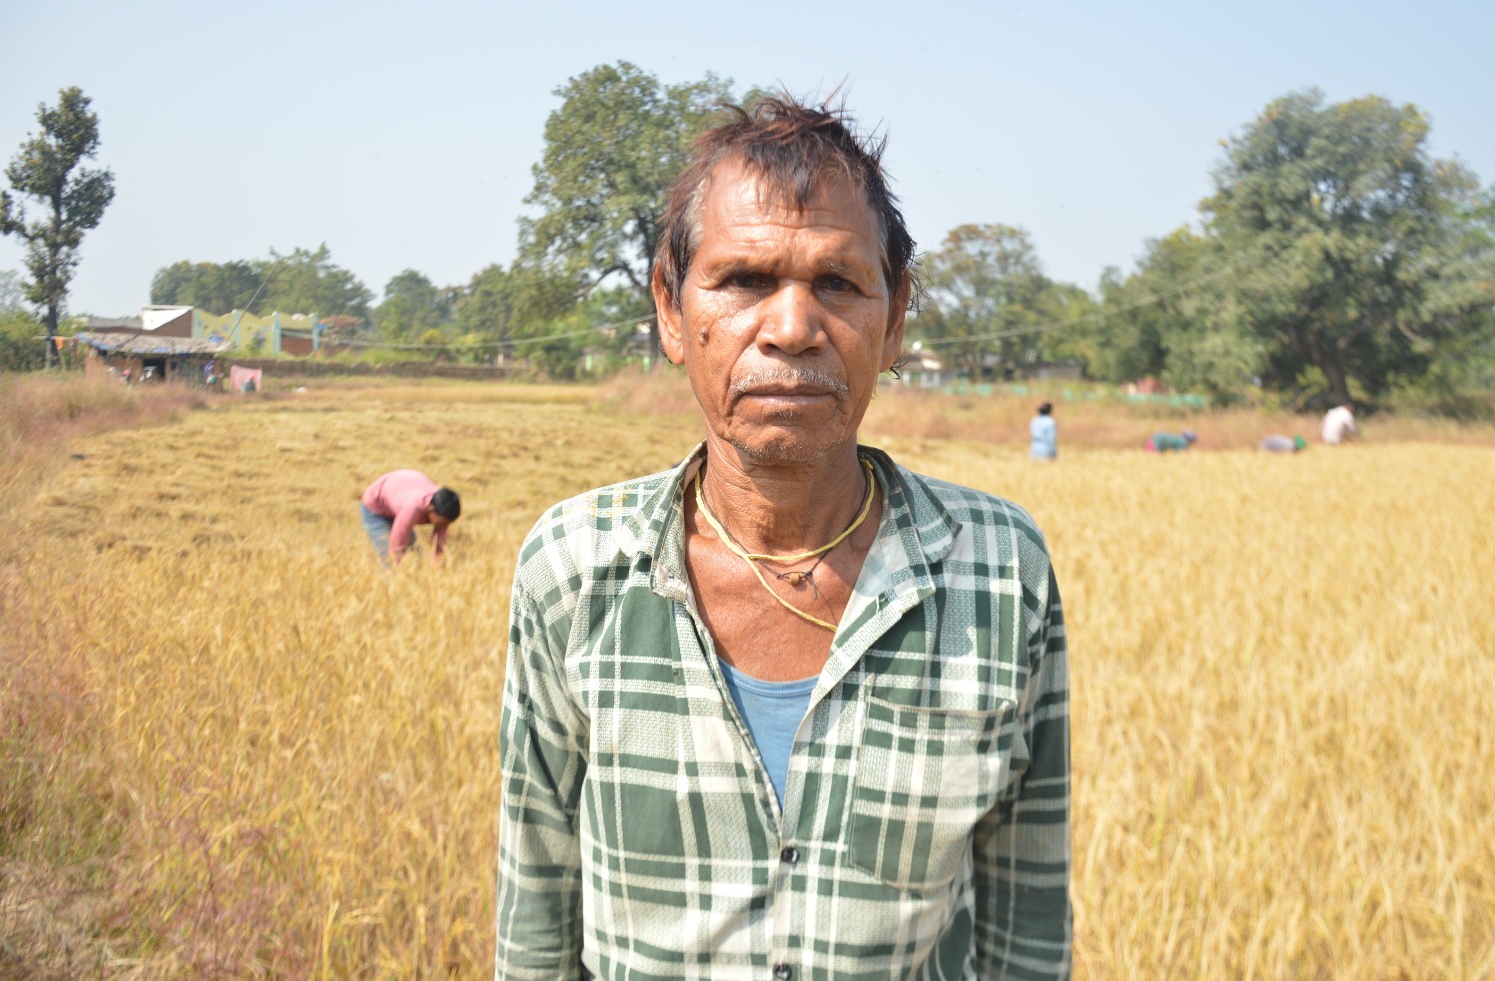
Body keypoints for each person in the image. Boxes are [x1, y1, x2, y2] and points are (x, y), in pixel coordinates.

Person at [497, 97, 1072, 980]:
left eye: (838, 283)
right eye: (744, 280)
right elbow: (536, 918)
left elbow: (1025, 922)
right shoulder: (573, 570)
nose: (793, 327)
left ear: (895, 316)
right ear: (670, 309)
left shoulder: (999, 574)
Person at [360, 470, 460, 565]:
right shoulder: (413, 508)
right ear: (431, 509)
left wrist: (437, 559)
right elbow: (398, 543)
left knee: (415, 555)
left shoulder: (444, 505)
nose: (444, 525)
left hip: (400, 496)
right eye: (442, 522)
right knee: (388, 556)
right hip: (376, 505)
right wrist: (397, 566)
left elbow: (438, 540)